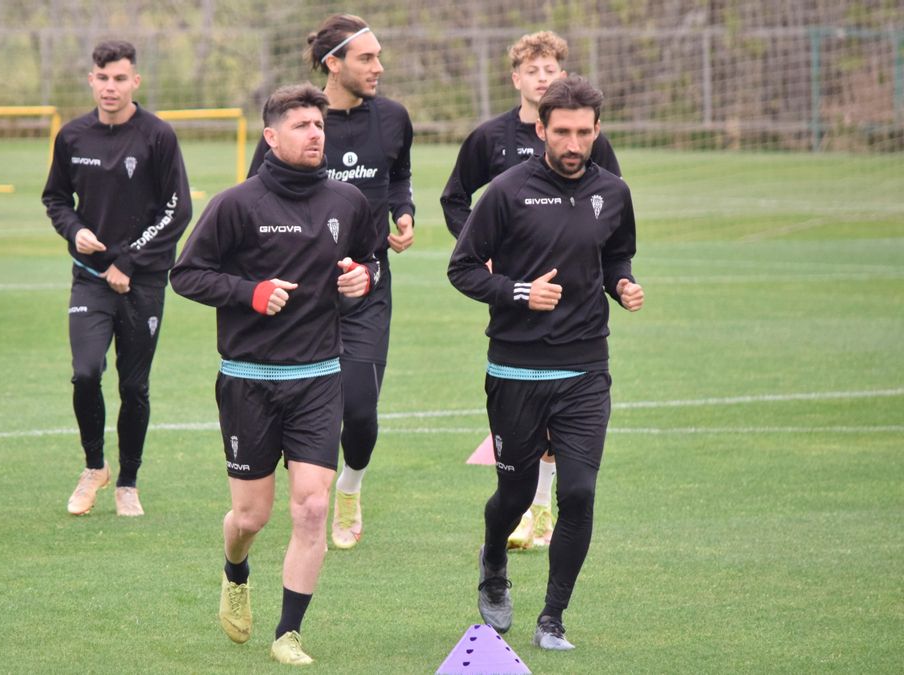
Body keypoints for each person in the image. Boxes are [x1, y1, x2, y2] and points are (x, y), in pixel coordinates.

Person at [170, 83, 379, 666]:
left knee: (312, 507)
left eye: (320, 124)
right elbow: (186, 275)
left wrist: (362, 282)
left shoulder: (348, 201)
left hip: (318, 376)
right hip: (247, 379)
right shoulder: (236, 204)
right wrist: (250, 293)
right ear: (270, 136)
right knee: (251, 516)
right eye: (302, 125)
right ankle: (235, 570)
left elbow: (369, 264)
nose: (316, 134)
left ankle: (289, 632)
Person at [447, 75, 644, 651]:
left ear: (597, 130)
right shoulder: (505, 192)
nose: (574, 143)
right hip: (516, 368)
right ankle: (492, 563)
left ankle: (553, 618)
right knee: (514, 496)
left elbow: (616, 253)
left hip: (586, 368)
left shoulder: (614, 191)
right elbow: (462, 270)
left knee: (578, 493)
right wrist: (517, 293)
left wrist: (623, 284)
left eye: (584, 132)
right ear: (542, 129)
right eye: (563, 132)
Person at [441, 30, 623, 550]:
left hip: (576, 316)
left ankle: (542, 512)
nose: (544, 78)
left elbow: (609, 210)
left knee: (565, 421)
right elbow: (456, 200)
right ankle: (520, 513)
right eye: (534, 71)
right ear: (517, 79)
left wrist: (617, 277)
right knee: (523, 432)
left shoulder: (585, 137)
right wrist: (485, 252)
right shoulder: (491, 139)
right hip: (512, 303)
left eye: (552, 70)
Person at [247, 14, 415, 550]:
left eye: (379, 56)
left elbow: (398, 174)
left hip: (367, 289)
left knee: (361, 414)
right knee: (293, 413)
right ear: (332, 64)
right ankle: (289, 500)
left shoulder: (392, 119)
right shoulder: (296, 123)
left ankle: (351, 484)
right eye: (367, 58)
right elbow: (255, 197)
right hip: (303, 302)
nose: (378, 67)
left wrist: (403, 210)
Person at [42, 40, 191, 518]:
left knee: (135, 386)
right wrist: (75, 229)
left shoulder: (157, 136)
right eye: (103, 78)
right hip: (89, 277)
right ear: (91, 80)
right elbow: (56, 199)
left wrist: (127, 261)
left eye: (120, 79)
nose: (111, 87)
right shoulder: (71, 137)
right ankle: (94, 468)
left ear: (135, 82)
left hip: (142, 280)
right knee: (86, 373)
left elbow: (177, 209)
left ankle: (128, 481)